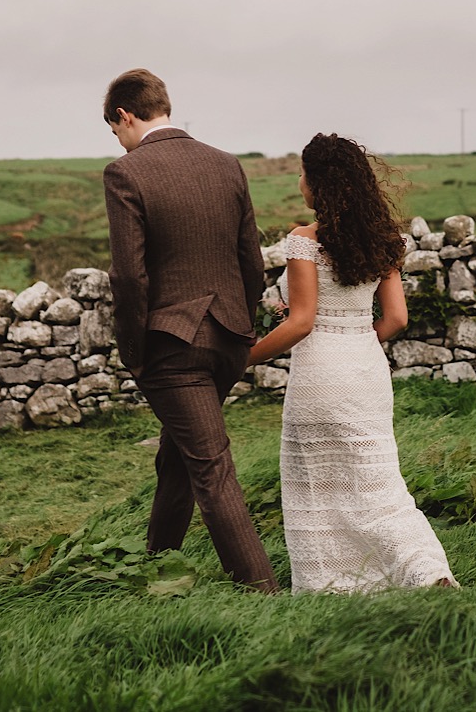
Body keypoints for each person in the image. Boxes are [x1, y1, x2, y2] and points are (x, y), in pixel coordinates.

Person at [248, 133, 457, 593]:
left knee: (318, 485)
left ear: (319, 184)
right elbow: (397, 318)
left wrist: (243, 358)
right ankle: (425, 571)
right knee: (379, 483)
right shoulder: (386, 240)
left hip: (320, 373)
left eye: (302, 173)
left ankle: (332, 585)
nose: (298, 181)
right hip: (366, 369)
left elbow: (301, 323)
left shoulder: (305, 241)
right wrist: (358, 337)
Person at [101, 68, 278, 593]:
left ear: (126, 116)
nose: (120, 141)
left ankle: (263, 593)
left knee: (212, 471)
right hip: (227, 341)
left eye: (116, 131)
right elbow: (253, 265)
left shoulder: (125, 173)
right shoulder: (227, 165)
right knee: (176, 460)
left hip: (172, 349)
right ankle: (156, 571)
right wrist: (241, 331)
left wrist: (135, 353)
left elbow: (129, 277)